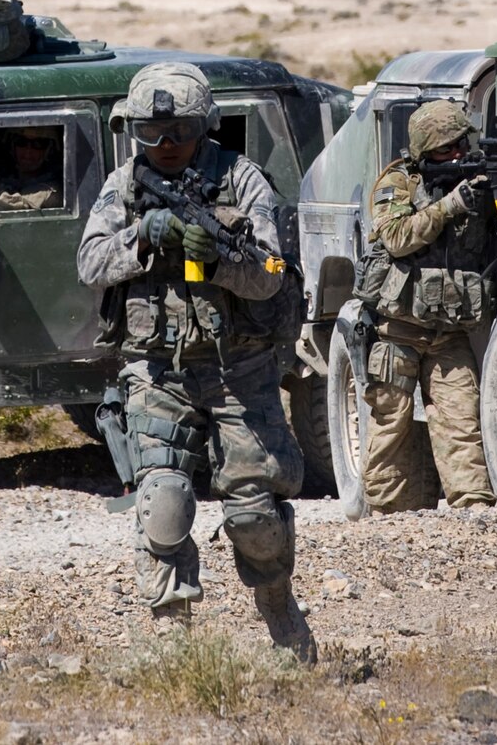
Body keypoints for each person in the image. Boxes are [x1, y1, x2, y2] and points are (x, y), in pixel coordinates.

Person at [76, 63, 315, 662]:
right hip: (157, 370)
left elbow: (271, 273)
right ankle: (174, 647)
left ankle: (280, 610)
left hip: (241, 369)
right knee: (163, 502)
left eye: (179, 131)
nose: (166, 144)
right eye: (150, 133)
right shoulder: (124, 185)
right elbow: (90, 263)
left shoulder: (242, 180)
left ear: (204, 125)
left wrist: (219, 263)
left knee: (254, 514)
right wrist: (142, 236)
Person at [358, 101, 497, 512]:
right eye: (445, 150)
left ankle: (472, 507)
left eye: (461, 145)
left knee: (461, 420)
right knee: (391, 422)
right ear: (424, 152)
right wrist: (449, 206)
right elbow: (396, 238)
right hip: (399, 327)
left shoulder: (479, 180)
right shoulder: (400, 182)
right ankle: (388, 515)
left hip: (450, 330)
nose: (457, 155)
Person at [0, 126, 63, 211]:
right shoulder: (6, 177)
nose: (28, 151)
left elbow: (14, 204)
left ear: (49, 150)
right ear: (12, 146)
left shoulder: (51, 191)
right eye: (21, 142)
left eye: (38, 144)